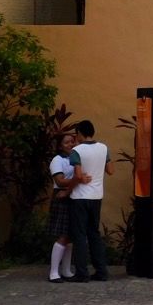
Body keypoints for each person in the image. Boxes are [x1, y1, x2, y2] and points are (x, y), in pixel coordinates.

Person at [66, 119, 112, 283]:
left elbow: (78, 176)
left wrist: (68, 189)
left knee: (79, 236)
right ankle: (101, 271)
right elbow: (110, 170)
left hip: (79, 197)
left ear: (79, 133)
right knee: (94, 234)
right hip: (96, 196)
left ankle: (82, 273)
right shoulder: (104, 148)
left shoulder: (76, 151)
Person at [47, 131, 77, 283]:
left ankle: (66, 270)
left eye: (72, 141)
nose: (70, 144)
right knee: (63, 235)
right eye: (66, 142)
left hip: (74, 196)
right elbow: (59, 181)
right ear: (59, 146)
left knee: (70, 235)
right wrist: (77, 180)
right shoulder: (57, 160)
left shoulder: (76, 158)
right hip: (61, 196)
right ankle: (53, 272)